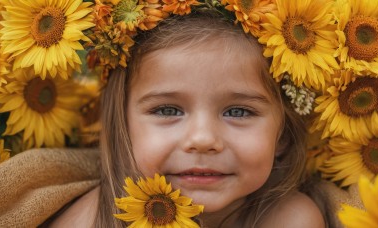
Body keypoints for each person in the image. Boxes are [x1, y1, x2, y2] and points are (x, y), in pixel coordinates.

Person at [47, 9, 326, 227]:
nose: (203, 140)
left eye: (238, 111)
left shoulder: (291, 219)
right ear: (122, 125)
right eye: (168, 110)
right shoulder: (92, 220)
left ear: (283, 135)